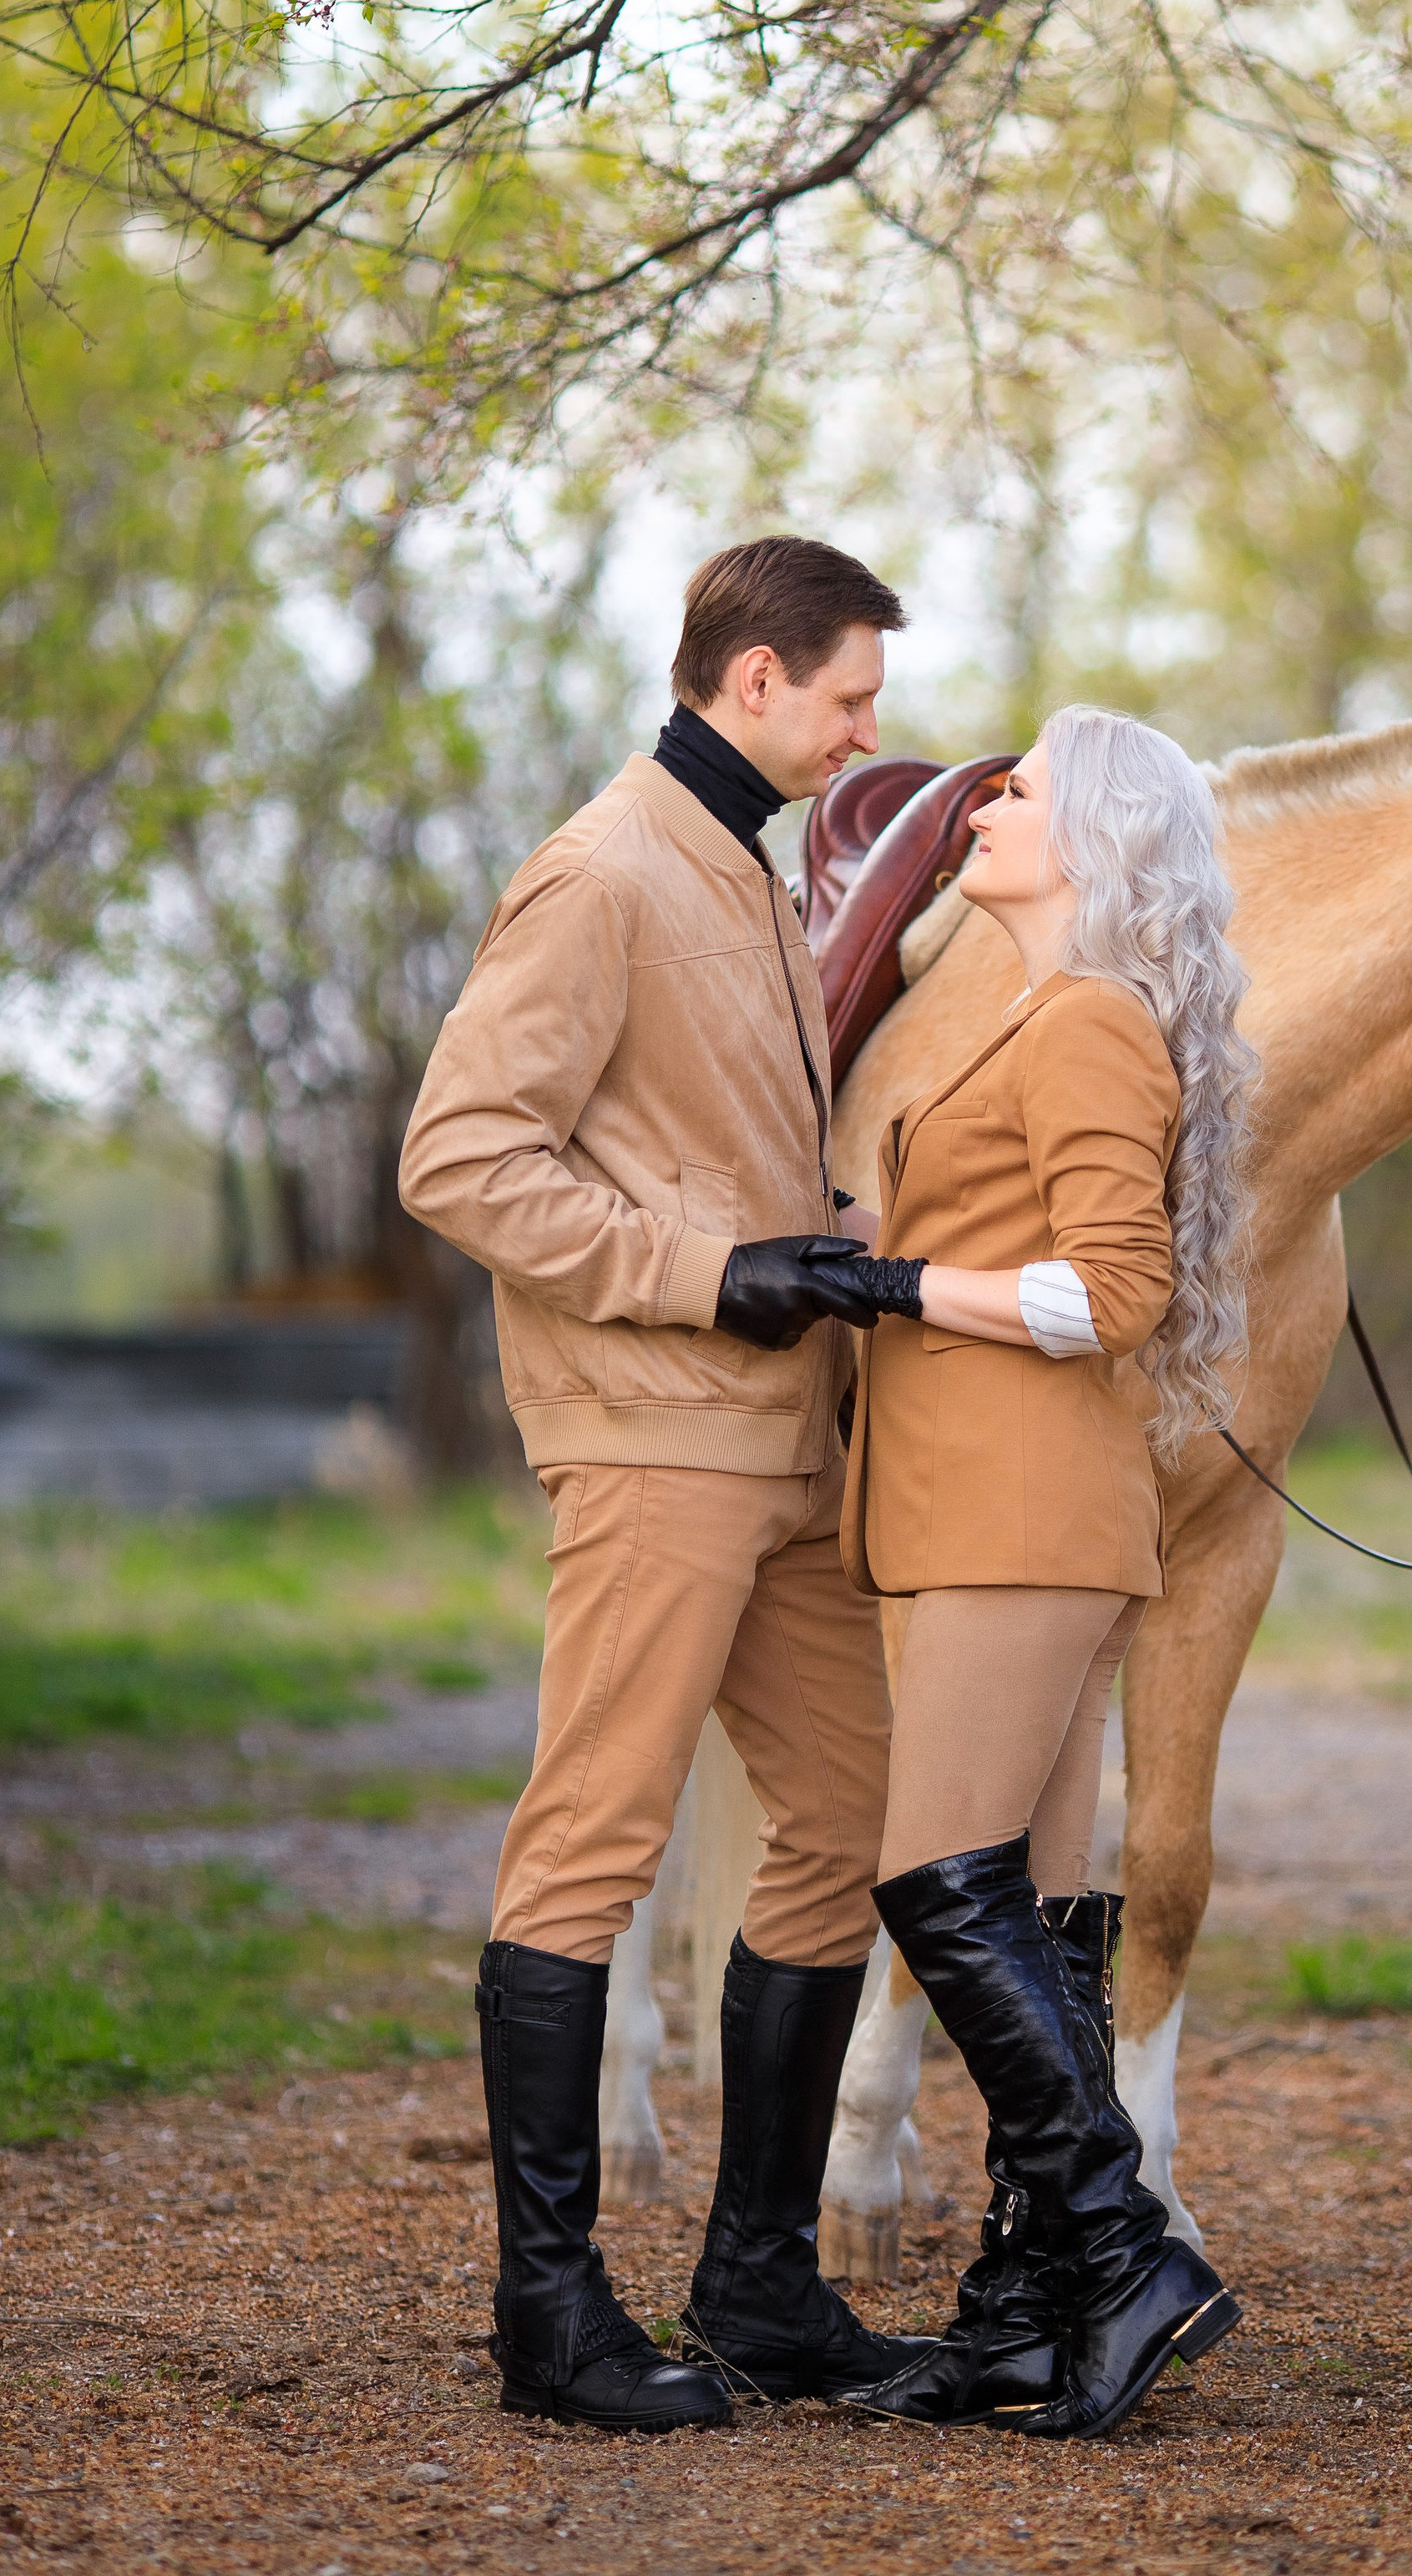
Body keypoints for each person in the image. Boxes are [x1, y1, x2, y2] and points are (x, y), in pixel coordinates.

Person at [397, 534, 936, 2435]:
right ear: (756, 678)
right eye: (849, 694)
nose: (869, 727)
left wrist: (825, 1237)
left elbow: (697, 1147)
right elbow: (460, 1157)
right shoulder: (606, 868)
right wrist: (712, 1271)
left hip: (781, 1439)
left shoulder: (747, 871)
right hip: (651, 1434)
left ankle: (758, 2286)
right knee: (595, 1837)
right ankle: (547, 2317)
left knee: (864, 1806)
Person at [834, 706, 1258, 2441]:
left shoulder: (1086, 1021)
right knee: (1046, 1925)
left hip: (1019, 1514)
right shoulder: (1036, 1012)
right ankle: (1021, 2315)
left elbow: (1113, 1292)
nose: (984, 802)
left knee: (935, 1883)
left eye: (1023, 791)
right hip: (999, 1513)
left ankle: (1115, 2243)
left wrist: (896, 1290)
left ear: (1097, 842)